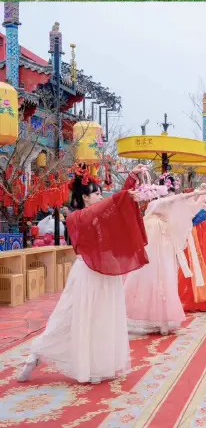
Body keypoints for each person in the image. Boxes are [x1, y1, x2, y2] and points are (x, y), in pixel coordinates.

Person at [18, 164, 149, 384]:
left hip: (107, 272)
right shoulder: (76, 218)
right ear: (84, 198)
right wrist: (123, 195)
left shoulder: (101, 213)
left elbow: (113, 206)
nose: (100, 196)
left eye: (100, 193)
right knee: (68, 316)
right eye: (96, 193)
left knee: (103, 319)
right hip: (88, 273)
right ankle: (36, 354)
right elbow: (108, 205)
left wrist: (132, 179)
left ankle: (97, 365)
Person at [124, 174, 206, 336]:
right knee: (148, 273)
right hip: (153, 236)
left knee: (166, 274)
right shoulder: (154, 202)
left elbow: (187, 211)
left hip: (164, 238)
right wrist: (192, 194)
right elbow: (167, 202)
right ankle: (145, 317)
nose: (169, 191)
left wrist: (199, 199)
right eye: (168, 187)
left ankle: (162, 319)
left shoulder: (167, 202)